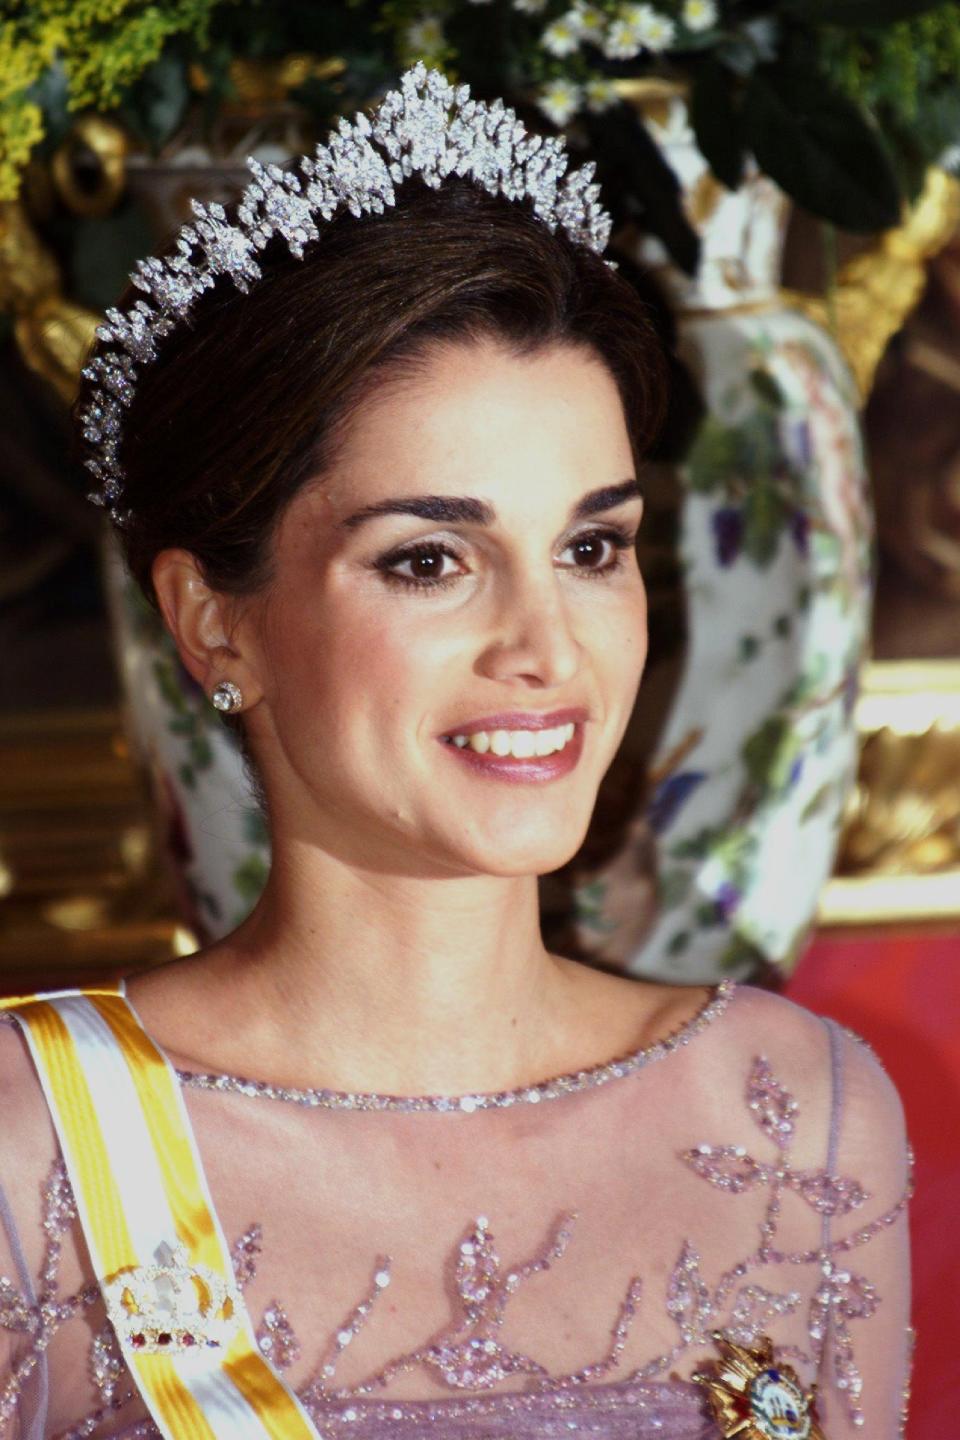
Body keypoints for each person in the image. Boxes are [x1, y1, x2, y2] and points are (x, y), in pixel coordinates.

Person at [0, 67, 912, 1439]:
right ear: (212, 622)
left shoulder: (798, 1118)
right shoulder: (35, 1152)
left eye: (591, 547)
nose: (547, 646)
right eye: (430, 559)